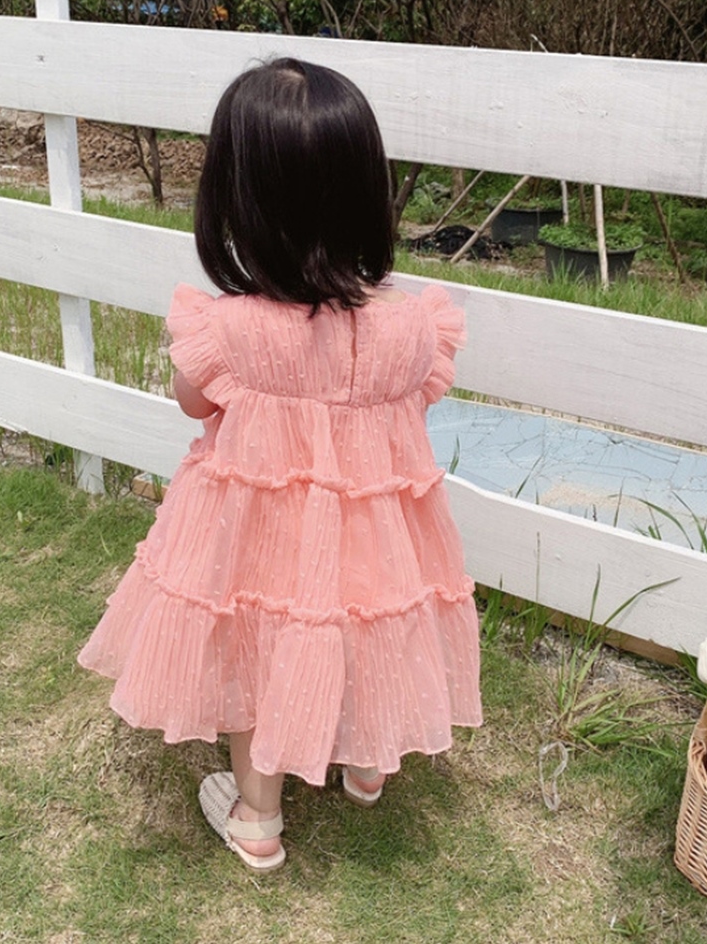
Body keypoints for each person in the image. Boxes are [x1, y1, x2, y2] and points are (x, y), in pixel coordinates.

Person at [78, 57, 482, 872]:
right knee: (366, 627)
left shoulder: (230, 329)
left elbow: (193, 401)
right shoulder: (413, 327)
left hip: (259, 537)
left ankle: (258, 818)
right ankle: (366, 762)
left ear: (241, 200)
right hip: (372, 539)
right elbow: (408, 415)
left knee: (253, 641)